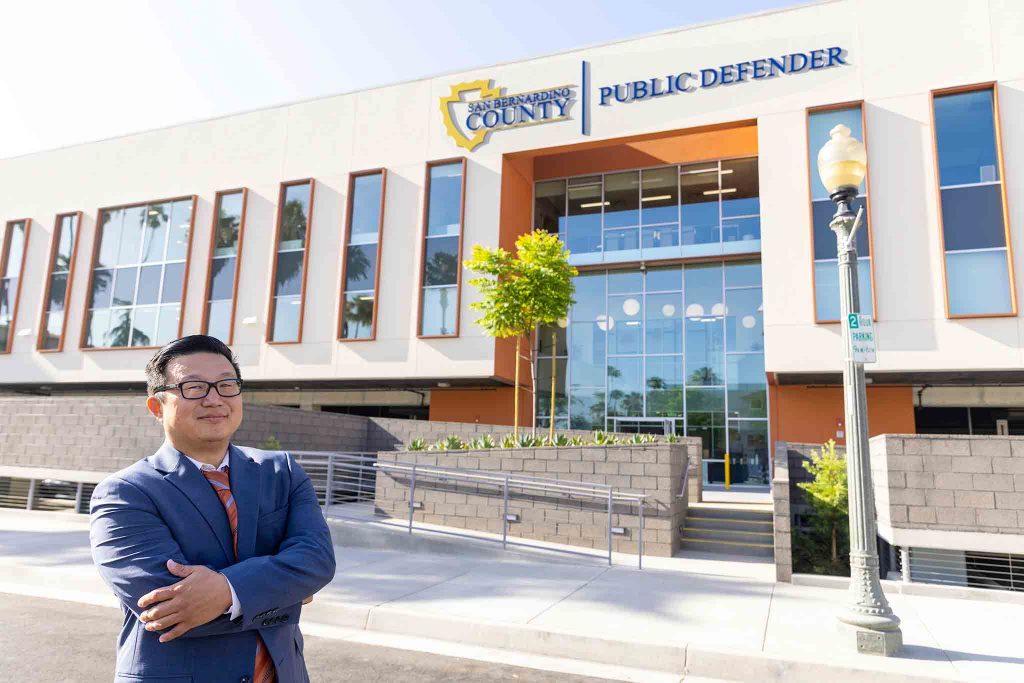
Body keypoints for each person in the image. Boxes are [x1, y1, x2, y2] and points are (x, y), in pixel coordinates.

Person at [89, 335, 336, 683]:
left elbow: (317, 561)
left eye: (226, 385)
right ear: (157, 407)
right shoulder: (125, 493)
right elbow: (164, 610)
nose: (214, 398)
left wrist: (227, 592)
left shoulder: (282, 471)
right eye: (193, 387)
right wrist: (288, 591)